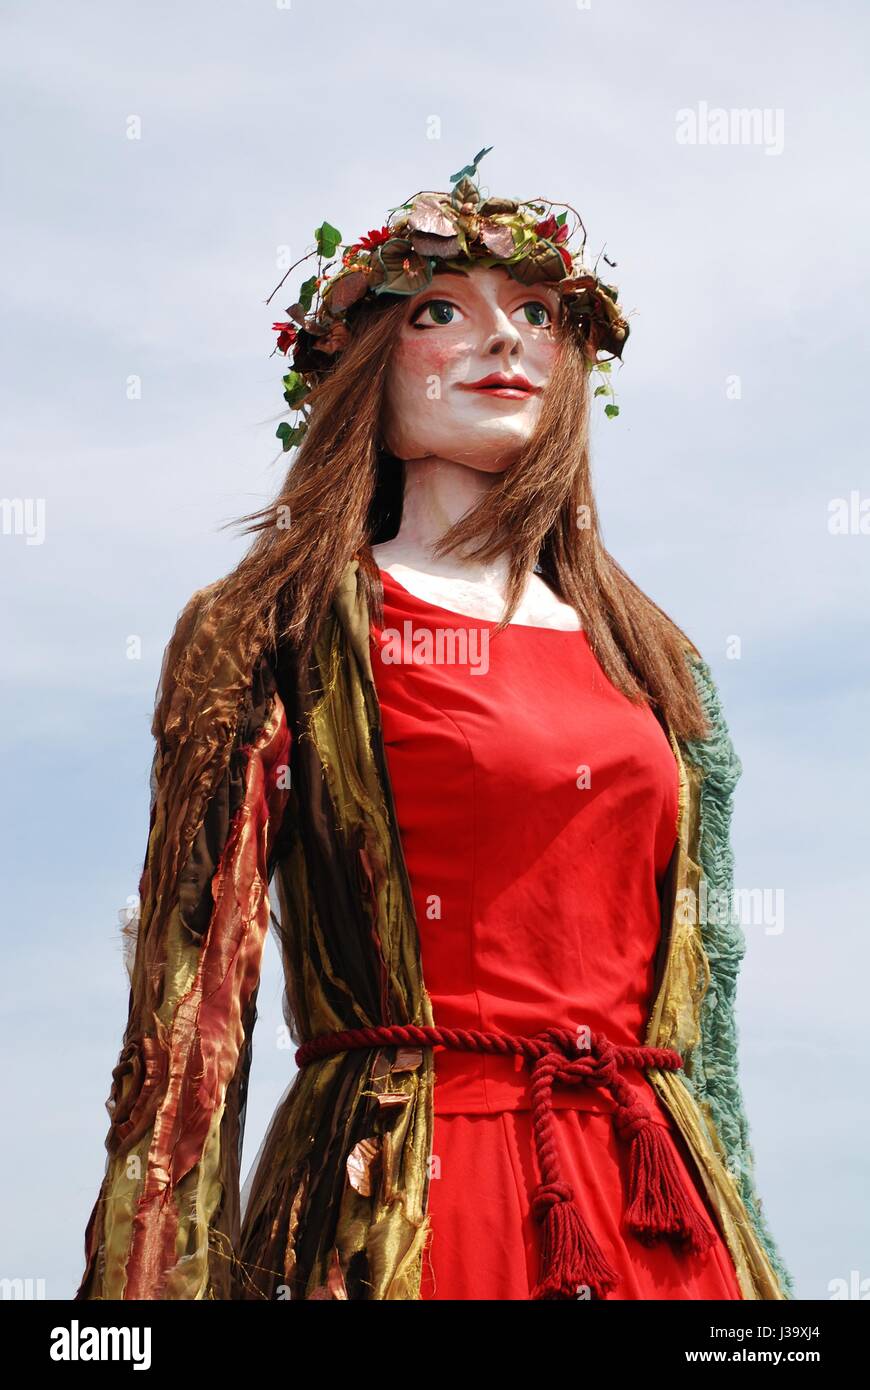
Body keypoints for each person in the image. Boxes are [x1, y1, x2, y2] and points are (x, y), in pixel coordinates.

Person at [76, 148, 793, 1301]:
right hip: (406, 1201)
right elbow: (189, 1016)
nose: (505, 340)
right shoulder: (280, 625)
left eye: (540, 313)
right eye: (443, 311)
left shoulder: (659, 660)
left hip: (655, 1207)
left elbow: (707, 1033)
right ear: (368, 368)